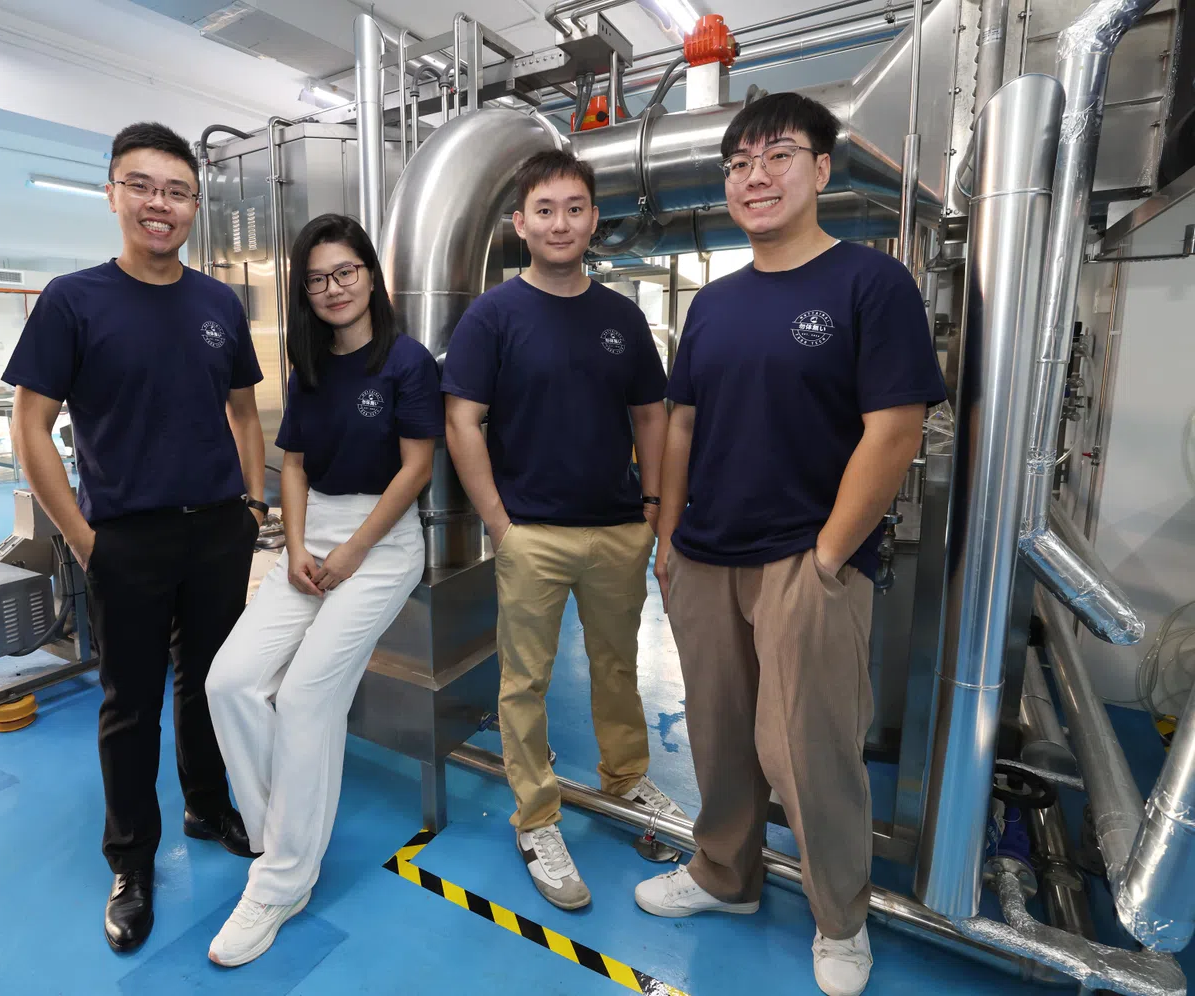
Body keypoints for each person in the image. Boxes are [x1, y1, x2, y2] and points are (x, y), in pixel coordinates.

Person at [633, 92, 946, 996]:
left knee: (807, 748)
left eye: (776, 156)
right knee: (719, 733)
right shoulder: (716, 303)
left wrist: (827, 556)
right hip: (705, 555)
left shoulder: (870, 284)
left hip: (807, 559)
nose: (754, 176)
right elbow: (682, 426)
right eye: (738, 164)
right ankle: (724, 876)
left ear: (820, 170)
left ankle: (839, 915)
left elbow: (894, 429)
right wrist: (670, 537)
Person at [5, 122, 267, 953]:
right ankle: (133, 861)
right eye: (142, 186)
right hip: (125, 540)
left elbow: (244, 411)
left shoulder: (220, 302)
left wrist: (253, 504)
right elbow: (31, 425)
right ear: (114, 193)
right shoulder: (74, 301)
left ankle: (206, 800)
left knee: (209, 683)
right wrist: (85, 540)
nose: (160, 204)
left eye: (177, 190)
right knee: (130, 705)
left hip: (218, 530)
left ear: (195, 203)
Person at [442, 149, 684, 912]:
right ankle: (537, 817)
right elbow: (462, 421)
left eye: (574, 208)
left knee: (618, 668)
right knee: (526, 684)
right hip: (531, 535)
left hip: (616, 529)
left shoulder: (619, 318)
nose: (560, 222)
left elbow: (652, 414)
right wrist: (498, 524)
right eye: (544, 209)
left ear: (593, 220)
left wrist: (651, 509)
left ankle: (626, 782)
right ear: (520, 223)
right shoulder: (493, 316)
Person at [204, 214, 440, 966]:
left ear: (370, 275)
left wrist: (352, 552)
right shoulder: (308, 367)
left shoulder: (407, 362)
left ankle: (280, 882)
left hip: (384, 541)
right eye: (317, 278)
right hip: (312, 540)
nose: (333, 288)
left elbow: (417, 470)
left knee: (308, 697)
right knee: (229, 681)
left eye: (345, 272)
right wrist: (299, 546)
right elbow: (295, 466)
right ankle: (283, 835)